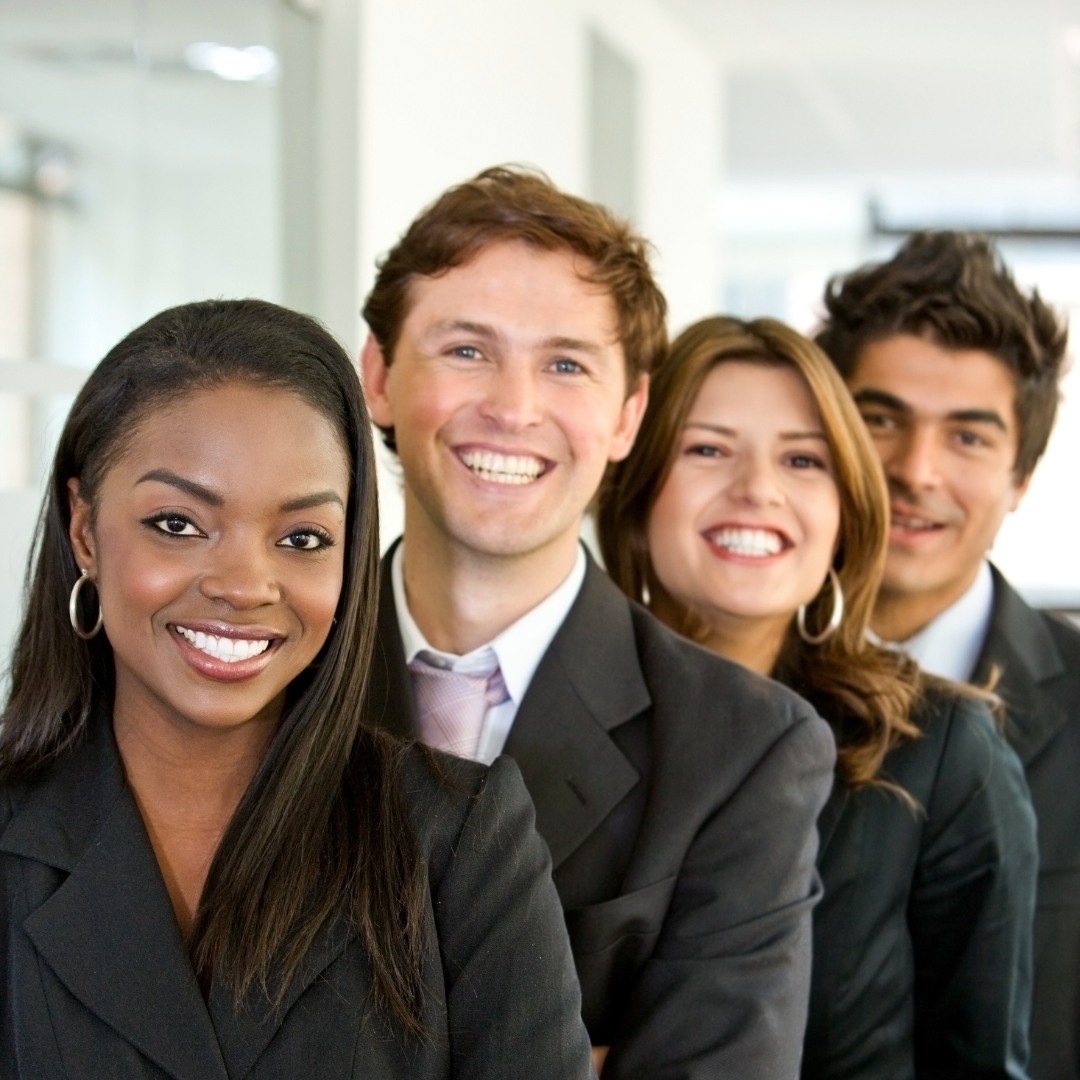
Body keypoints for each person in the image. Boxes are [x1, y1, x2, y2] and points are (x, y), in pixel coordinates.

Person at [0, 298, 595, 1079]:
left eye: (302, 539)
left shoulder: (459, 842)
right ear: (83, 529)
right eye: (178, 523)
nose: (246, 585)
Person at [359, 165, 836, 1078]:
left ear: (627, 415)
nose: (513, 407)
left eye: (566, 364)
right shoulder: (265, 681)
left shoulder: (745, 748)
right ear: (379, 377)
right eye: (466, 350)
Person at [597, 314, 1038, 1079]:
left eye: (804, 460)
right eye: (707, 449)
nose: (757, 490)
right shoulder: (534, 716)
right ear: (636, 492)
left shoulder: (945, 754)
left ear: (844, 515)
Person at [815, 231, 1080, 1080]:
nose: (914, 471)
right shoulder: (725, 687)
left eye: (968, 437)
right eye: (881, 420)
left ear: (1022, 477)